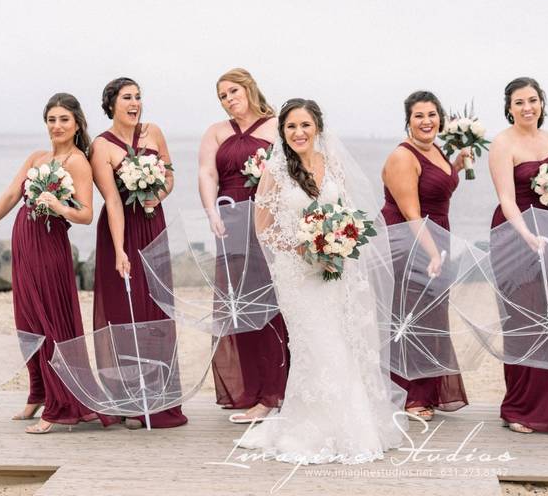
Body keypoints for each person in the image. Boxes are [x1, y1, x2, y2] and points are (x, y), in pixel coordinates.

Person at [237, 99, 404, 464]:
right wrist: (303, 245)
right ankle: (310, 428)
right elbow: (263, 230)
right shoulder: (275, 171)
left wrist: (338, 241)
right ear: (282, 132)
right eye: (291, 126)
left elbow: (346, 215)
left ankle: (353, 426)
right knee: (317, 344)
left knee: (343, 343)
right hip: (297, 275)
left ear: (317, 129)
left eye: (305, 125)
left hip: (334, 271)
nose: (298, 133)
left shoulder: (332, 165)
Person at [0, 93, 99, 434]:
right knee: (27, 320)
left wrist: (60, 208)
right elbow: (12, 195)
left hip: (50, 246)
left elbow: (87, 214)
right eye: (51, 120)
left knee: (50, 320)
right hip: (24, 243)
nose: (56, 126)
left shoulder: (78, 162)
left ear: (76, 124)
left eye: (63, 120)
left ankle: (60, 405)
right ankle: (38, 392)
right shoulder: (37, 157)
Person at [89, 77, 186, 429]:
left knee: (155, 307)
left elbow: (171, 177)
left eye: (139, 97)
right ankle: (127, 398)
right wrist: (119, 250)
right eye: (127, 97)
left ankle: (158, 397)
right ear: (111, 103)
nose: (135, 103)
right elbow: (112, 200)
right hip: (121, 229)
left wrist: (158, 195)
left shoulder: (153, 132)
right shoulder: (101, 146)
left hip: (152, 223)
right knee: (123, 312)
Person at [488, 77, 548, 433]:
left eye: (533, 100)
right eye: (519, 102)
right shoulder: (502, 143)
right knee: (523, 319)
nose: (527, 107)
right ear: (509, 107)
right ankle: (519, 408)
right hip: (514, 233)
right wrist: (526, 233)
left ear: (542, 102)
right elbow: (507, 199)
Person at [197, 68, 289, 423]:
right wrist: (211, 214)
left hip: (269, 222)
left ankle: (274, 392)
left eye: (233, 91)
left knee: (271, 303)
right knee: (239, 305)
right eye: (222, 96)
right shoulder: (216, 132)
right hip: (230, 222)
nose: (229, 99)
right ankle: (251, 390)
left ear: (249, 88)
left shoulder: (277, 125)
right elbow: (207, 173)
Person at [380, 90, 470, 420]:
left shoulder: (436, 150)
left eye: (431, 114)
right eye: (418, 116)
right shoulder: (403, 157)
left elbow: (437, 190)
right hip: (408, 243)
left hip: (436, 239)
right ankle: (409, 395)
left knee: (431, 317)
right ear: (408, 121)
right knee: (408, 317)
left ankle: (426, 391)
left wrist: (455, 167)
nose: (426, 121)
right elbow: (412, 213)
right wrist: (434, 253)